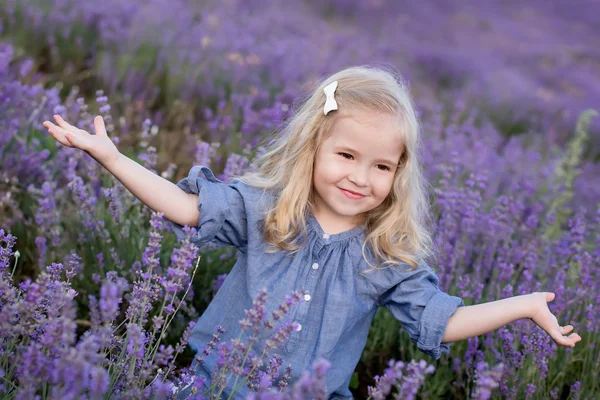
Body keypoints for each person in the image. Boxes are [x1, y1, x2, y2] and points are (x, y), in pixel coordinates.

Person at [42, 65, 581, 399]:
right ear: (313, 149)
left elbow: (442, 320)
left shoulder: (382, 258)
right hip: (213, 387)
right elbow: (185, 209)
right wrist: (113, 158)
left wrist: (524, 303)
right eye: (346, 155)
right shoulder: (266, 212)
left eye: (381, 166)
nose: (360, 177)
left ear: (400, 174)